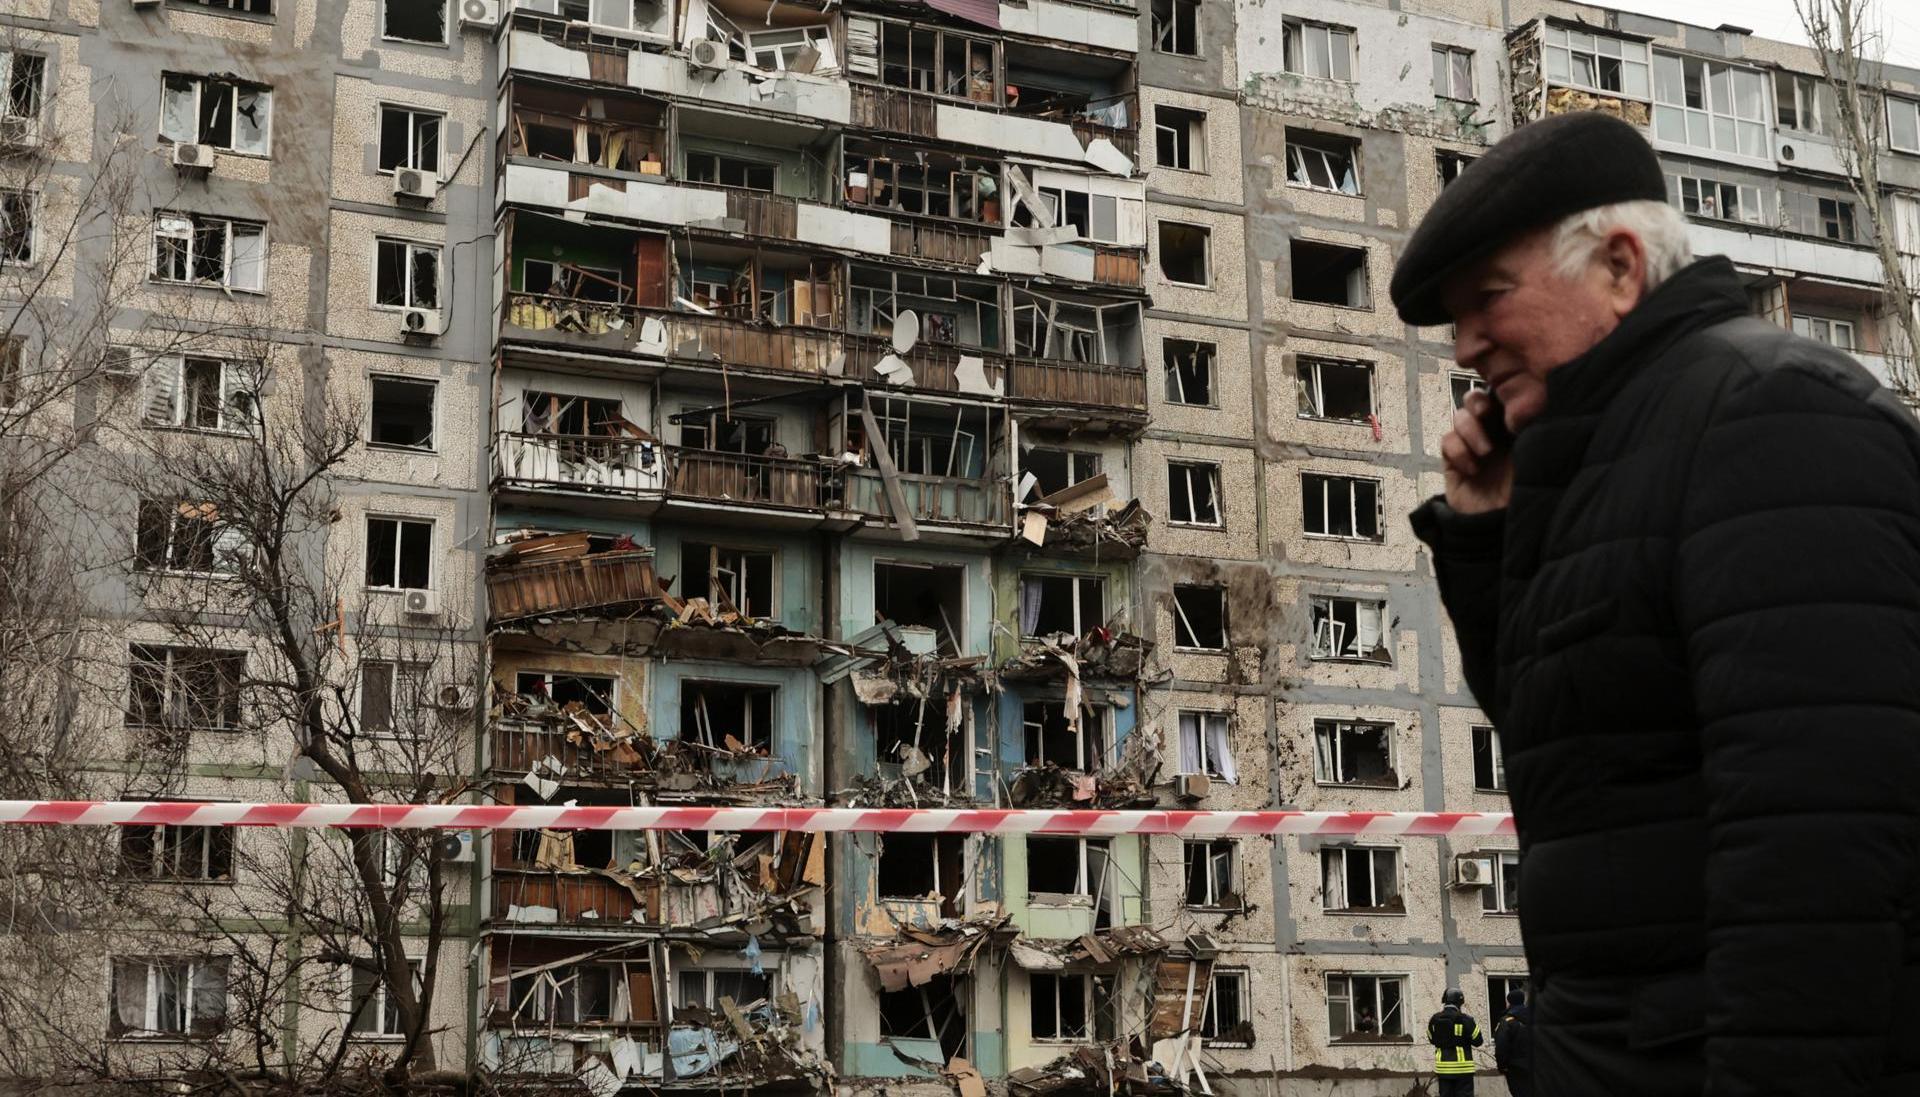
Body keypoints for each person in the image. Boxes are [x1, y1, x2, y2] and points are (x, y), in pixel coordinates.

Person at [1392, 108, 1920, 1097]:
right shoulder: (1603, 456)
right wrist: (1485, 530)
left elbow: (1818, 845)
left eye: (1489, 298)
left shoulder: (1771, 415)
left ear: (1622, 266)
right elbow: (1586, 763)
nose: (1464, 346)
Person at [1427, 987, 1482, 1095]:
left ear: (1445, 1001)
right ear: (1460, 1002)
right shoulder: (1466, 1019)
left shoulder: (1435, 1019)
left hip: (1443, 1069)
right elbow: (1478, 1041)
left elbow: (1431, 1039)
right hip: (1463, 1069)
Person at [1493, 989, 1533, 1097]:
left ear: (1509, 1002)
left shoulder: (1507, 1021)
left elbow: (1501, 1046)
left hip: (1515, 1068)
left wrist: (1502, 1066)